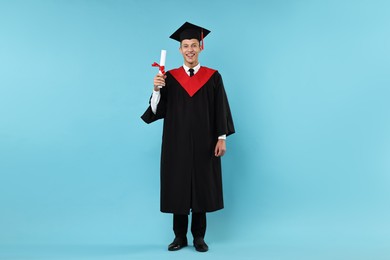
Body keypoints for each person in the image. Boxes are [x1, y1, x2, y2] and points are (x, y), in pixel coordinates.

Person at [141, 21, 235, 252]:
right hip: (177, 142)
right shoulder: (169, 78)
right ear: (180, 50)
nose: (190, 49)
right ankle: (179, 237)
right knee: (178, 186)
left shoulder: (213, 77)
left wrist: (221, 137)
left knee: (201, 187)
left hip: (205, 141)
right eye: (185, 45)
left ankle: (199, 238)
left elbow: (220, 107)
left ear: (200, 47)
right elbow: (156, 111)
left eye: (194, 44)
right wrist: (155, 89)